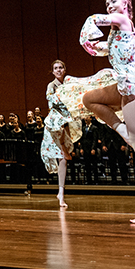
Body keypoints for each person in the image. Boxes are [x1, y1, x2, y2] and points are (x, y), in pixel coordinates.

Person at [57, 0, 135, 223]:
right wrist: (91, 45)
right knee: (89, 99)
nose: (109, 6)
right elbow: (103, 49)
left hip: (132, 84)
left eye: (113, 1)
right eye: (107, 3)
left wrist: (90, 25)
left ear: (126, 3)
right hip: (121, 82)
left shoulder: (123, 20)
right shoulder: (116, 33)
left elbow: (95, 19)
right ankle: (122, 131)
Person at [40, 60, 81, 207]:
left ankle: (61, 192)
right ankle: (61, 193)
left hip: (66, 120)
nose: (58, 70)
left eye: (61, 67)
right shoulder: (51, 85)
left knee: (64, 159)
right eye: (56, 68)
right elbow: (52, 102)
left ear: (64, 69)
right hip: (55, 121)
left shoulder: (68, 84)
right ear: (52, 71)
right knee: (62, 155)